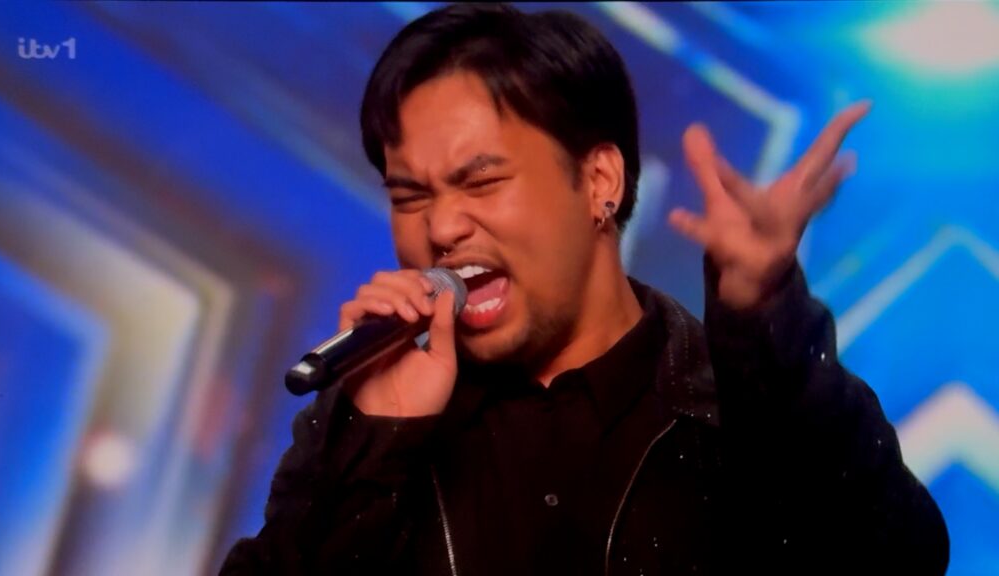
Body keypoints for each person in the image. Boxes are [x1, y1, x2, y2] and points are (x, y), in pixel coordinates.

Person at [220, 4, 948, 575]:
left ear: (600, 181)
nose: (440, 227)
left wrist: (767, 318)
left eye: (481, 182)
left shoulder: (738, 402)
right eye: (410, 196)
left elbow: (895, 558)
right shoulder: (365, 421)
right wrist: (378, 444)